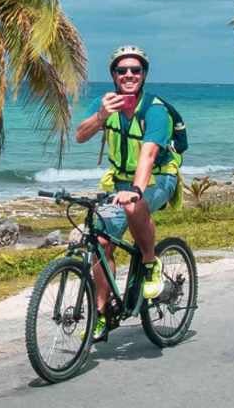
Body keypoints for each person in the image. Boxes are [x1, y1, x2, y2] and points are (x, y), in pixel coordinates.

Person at [75, 45, 182, 340]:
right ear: (113, 75)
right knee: (100, 241)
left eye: (135, 70)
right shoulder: (106, 104)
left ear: (144, 74)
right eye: (122, 70)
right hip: (120, 183)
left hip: (159, 179)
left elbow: (148, 155)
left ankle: (150, 263)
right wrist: (100, 116)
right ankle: (101, 312)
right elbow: (80, 135)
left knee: (135, 208)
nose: (129, 75)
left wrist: (136, 190)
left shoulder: (155, 111)